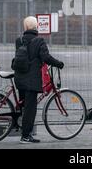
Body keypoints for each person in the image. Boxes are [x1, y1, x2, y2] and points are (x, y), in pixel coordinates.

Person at [14, 16, 64, 144]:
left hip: (19, 78)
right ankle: (25, 136)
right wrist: (58, 63)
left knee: (24, 107)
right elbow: (46, 57)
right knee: (30, 109)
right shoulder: (39, 41)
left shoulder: (19, 40)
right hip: (31, 80)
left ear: (25, 27)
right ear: (36, 27)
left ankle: (23, 129)